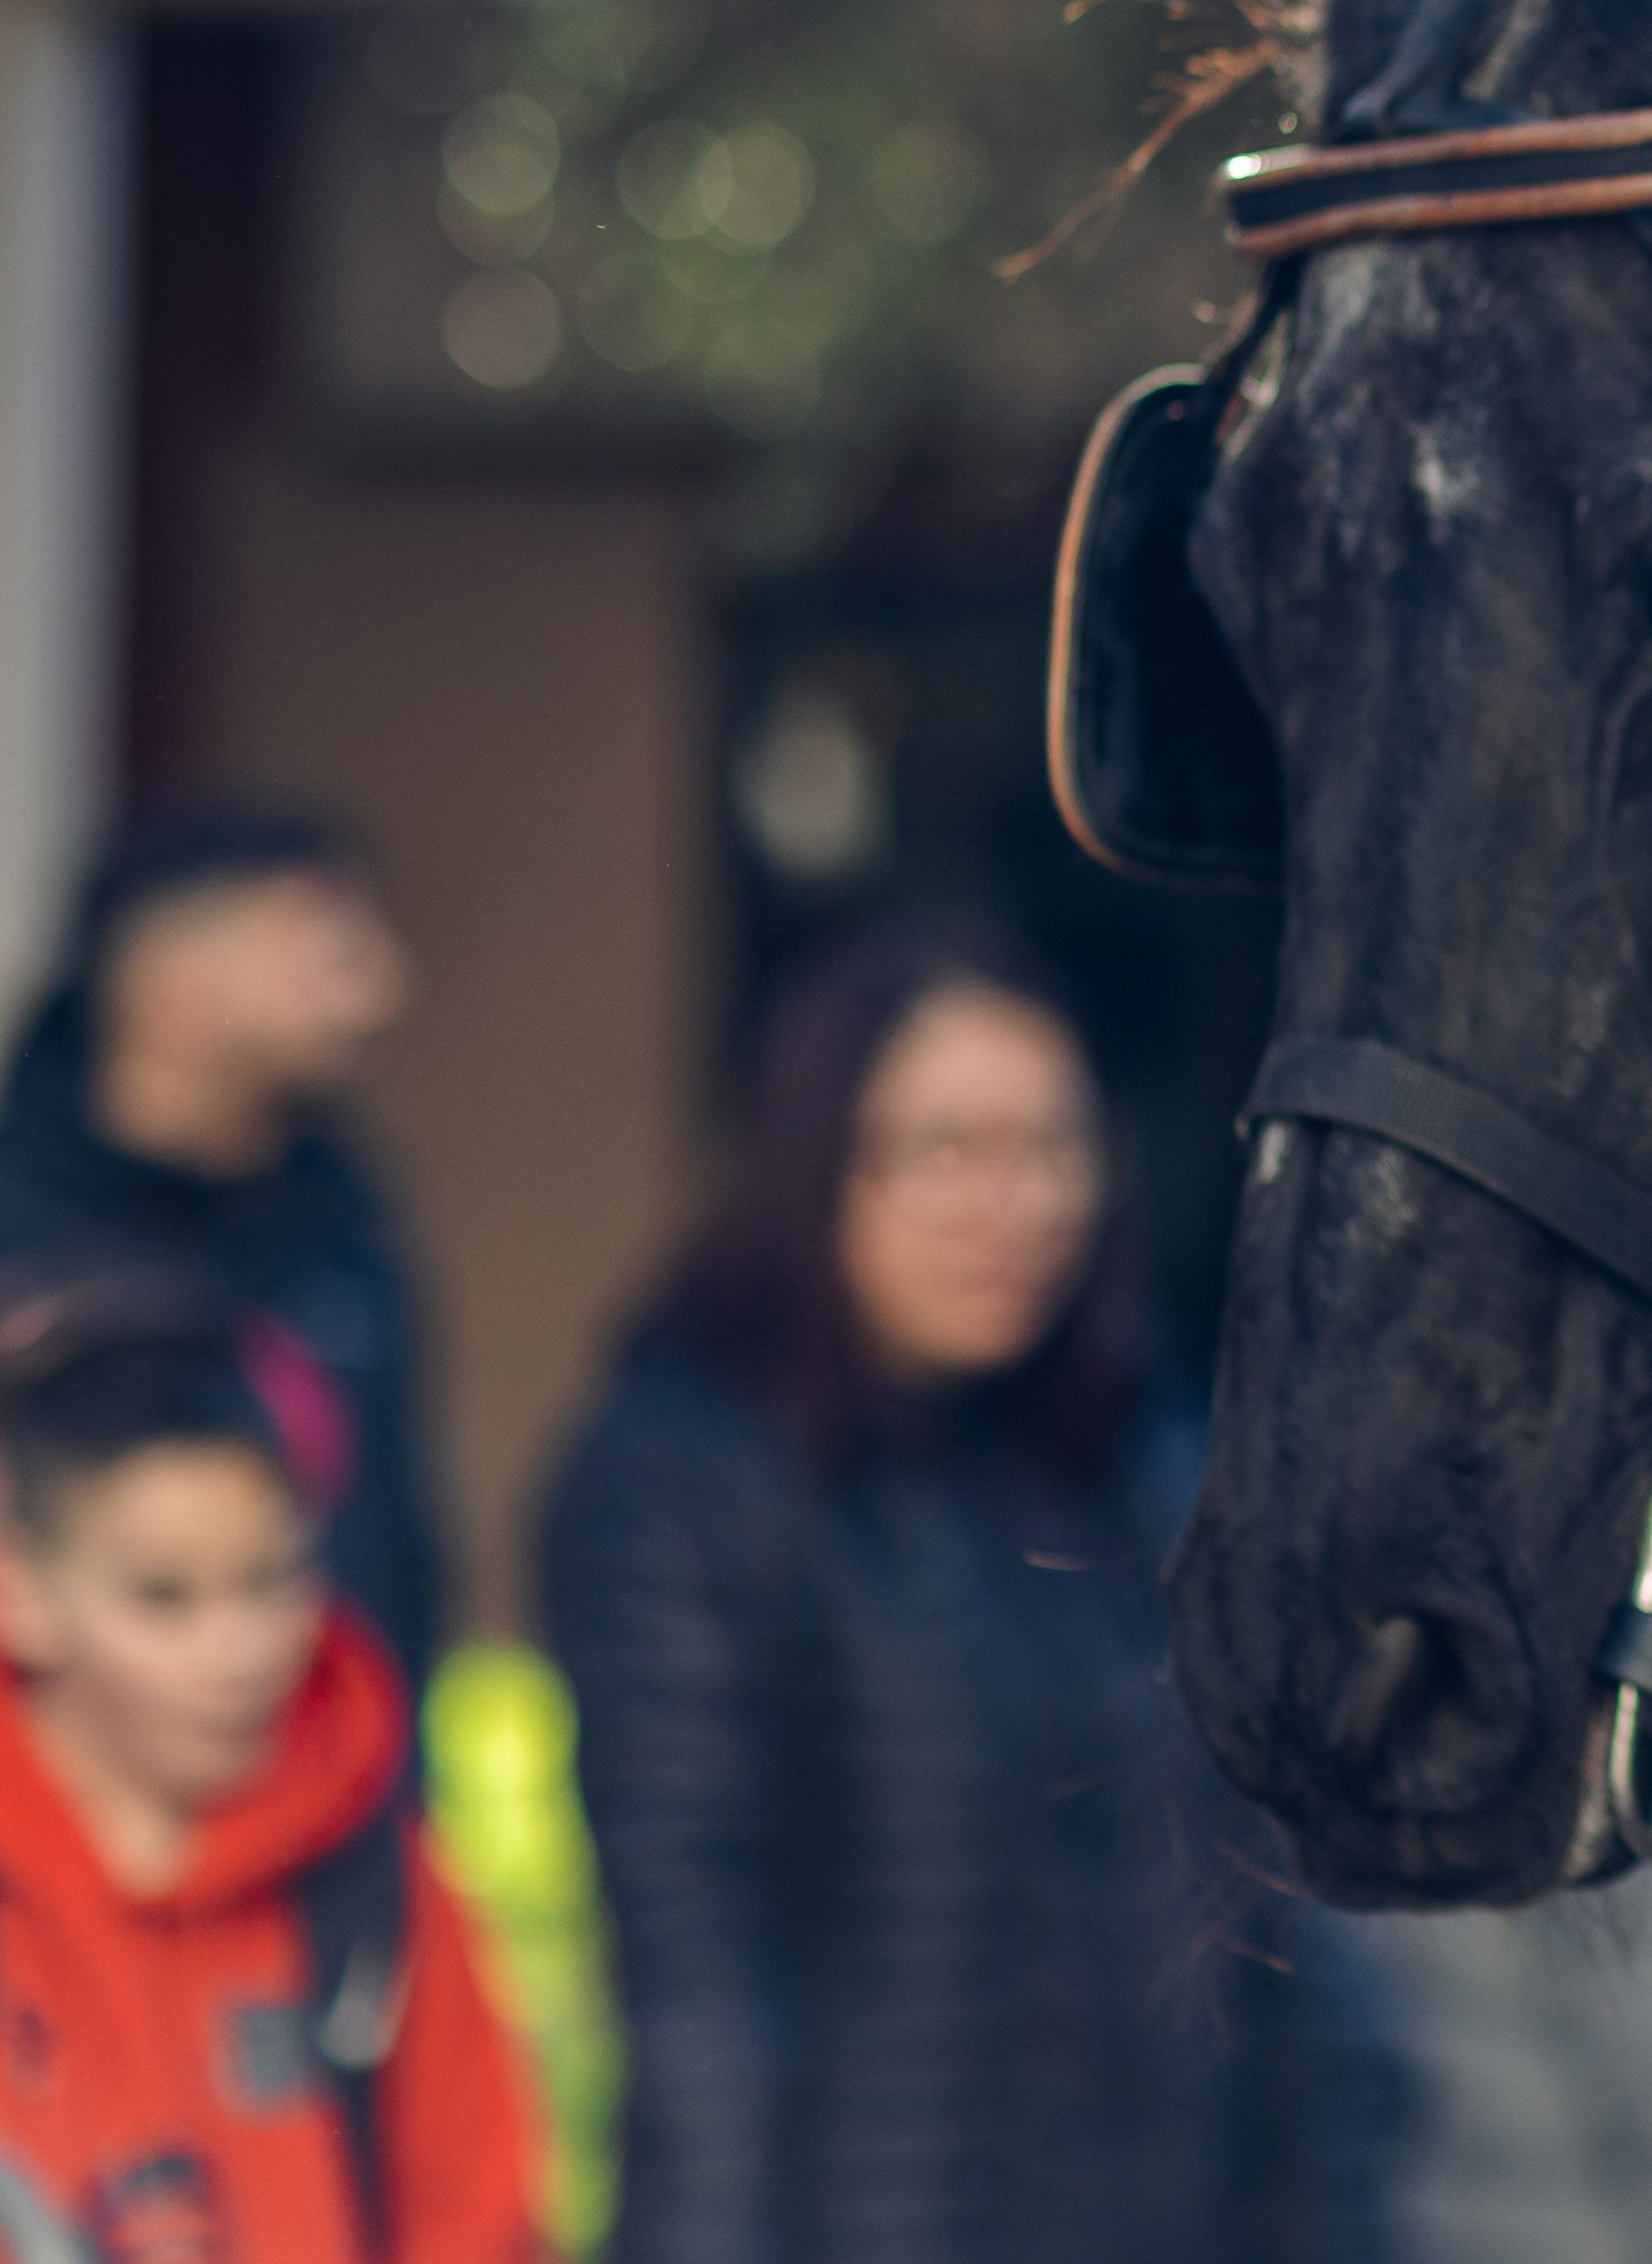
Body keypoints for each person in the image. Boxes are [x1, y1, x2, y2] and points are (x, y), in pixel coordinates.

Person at [539, 929, 1389, 2264]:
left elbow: (1293, 1964)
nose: (1019, 1202)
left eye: (1054, 1146)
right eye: (948, 1149)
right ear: (816, 1164)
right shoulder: (683, 1481)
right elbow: (699, 2006)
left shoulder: (1148, 1464)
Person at [0, 1273, 546, 2263]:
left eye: (273, 1577)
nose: (240, 1650)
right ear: (20, 1589)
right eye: (164, 1598)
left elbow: (481, 2219)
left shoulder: (372, 1879)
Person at [0, 809, 448, 1691]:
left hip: (332, 1786)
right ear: (175, 990)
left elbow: (397, 1538)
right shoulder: (23, 1229)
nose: (385, 991)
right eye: (332, 961)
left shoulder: (344, 1214)